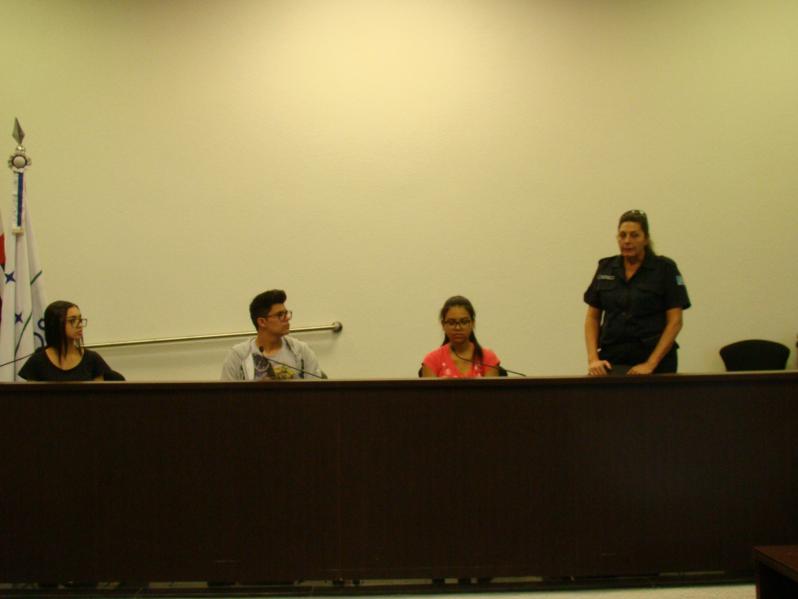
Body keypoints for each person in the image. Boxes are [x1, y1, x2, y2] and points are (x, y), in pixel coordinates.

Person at [583, 210, 690, 375]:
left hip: (654, 360)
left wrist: (650, 364)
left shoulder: (664, 269)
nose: (627, 241)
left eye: (634, 235)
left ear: (646, 239)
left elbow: (675, 321)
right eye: (622, 235)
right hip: (613, 358)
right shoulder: (606, 267)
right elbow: (592, 317)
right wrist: (593, 359)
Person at [221, 289, 323, 381]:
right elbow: (226, 393)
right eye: (280, 315)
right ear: (262, 322)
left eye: (286, 313)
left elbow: (316, 390)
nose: (287, 318)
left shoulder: (301, 351)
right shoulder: (238, 355)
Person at [18, 300, 119, 381]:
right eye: (72, 320)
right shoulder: (37, 361)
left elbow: (100, 397)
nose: (79, 325)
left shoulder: (92, 359)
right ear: (55, 325)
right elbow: (31, 398)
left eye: (80, 320)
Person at [421, 295, 501, 378]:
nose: (458, 328)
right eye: (451, 323)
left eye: (464, 322)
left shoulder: (488, 358)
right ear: (443, 325)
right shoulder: (432, 360)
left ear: (473, 323)